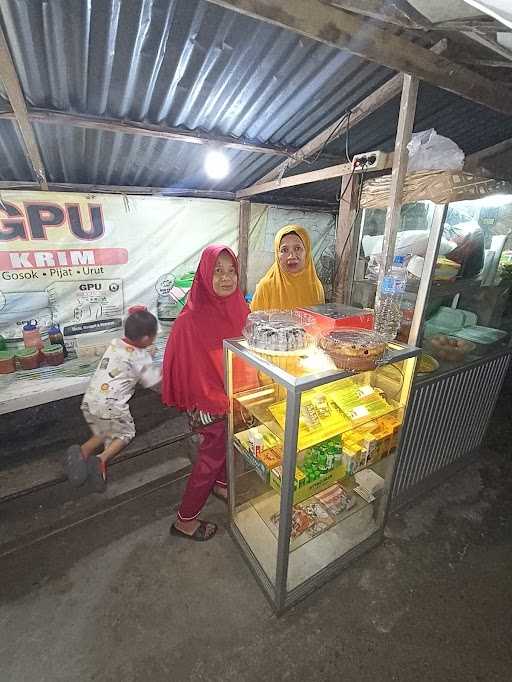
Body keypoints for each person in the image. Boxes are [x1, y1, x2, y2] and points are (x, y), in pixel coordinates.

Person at [162, 245, 251, 541]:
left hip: (235, 396)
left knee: (230, 444)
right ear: (204, 273)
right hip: (210, 404)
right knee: (208, 459)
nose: (226, 278)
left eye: (231, 271)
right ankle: (185, 520)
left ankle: (222, 484)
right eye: (218, 271)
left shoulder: (240, 307)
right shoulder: (190, 319)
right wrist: (219, 400)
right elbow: (187, 370)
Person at [64, 306, 161, 492]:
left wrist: (145, 355)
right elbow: (153, 381)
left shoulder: (116, 343)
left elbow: (129, 357)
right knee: (124, 434)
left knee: (104, 430)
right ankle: (101, 459)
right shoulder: (141, 358)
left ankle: (82, 451)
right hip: (112, 405)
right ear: (147, 339)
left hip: (91, 400)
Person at [250, 224, 325, 311]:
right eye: (284, 250)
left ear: (307, 252)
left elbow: (320, 322)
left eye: (297, 248)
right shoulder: (265, 287)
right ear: (277, 255)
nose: (291, 256)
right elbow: (255, 322)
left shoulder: (315, 287)